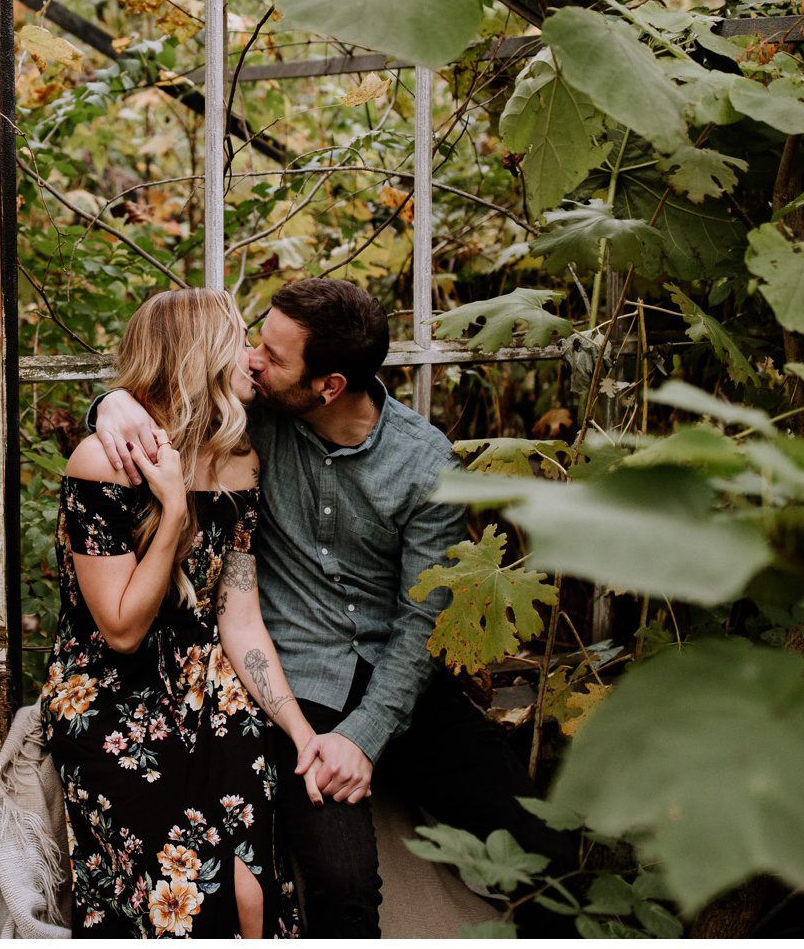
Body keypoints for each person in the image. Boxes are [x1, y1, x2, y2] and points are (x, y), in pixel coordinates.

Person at [91, 278, 574, 938]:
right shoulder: (252, 414)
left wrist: (364, 737)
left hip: (400, 687)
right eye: (256, 342)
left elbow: (420, 625)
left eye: (273, 355)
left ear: (330, 385)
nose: (253, 361)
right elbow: (168, 393)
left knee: (546, 851)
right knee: (344, 887)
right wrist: (110, 403)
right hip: (300, 683)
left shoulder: (422, 463)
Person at [39, 288, 317, 938]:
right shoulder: (102, 462)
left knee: (254, 895)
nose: (252, 359)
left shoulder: (239, 462)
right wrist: (172, 511)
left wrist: (302, 734)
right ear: (199, 359)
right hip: (110, 696)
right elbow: (122, 628)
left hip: (208, 684)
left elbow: (239, 617)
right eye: (239, 343)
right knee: (179, 903)